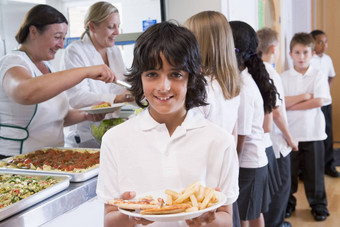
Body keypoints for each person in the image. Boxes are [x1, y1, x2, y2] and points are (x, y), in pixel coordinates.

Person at [96, 21, 239, 227]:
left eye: (176, 74)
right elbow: (109, 220)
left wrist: (208, 220)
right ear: (140, 77)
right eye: (152, 74)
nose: (163, 87)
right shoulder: (115, 140)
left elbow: (226, 217)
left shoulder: (220, 141)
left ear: (193, 76)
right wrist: (129, 214)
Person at [0, 4, 116, 158]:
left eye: (63, 38)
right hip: (17, 160)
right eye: (57, 37)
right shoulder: (13, 62)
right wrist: (86, 71)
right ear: (33, 32)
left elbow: (56, 117)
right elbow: (25, 93)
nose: (61, 45)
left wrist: (87, 115)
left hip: (49, 157)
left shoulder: (48, 67)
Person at [183, 11, 241, 227]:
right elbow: (232, 134)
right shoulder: (230, 84)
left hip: (202, 176)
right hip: (223, 169)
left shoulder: (201, 88)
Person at [61, 1, 133, 148]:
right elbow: (76, 97)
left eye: (118, 26)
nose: (117, 32)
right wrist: (120, 98)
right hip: (85, 134)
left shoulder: (113, 51)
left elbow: (122, 84)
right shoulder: (75, 52)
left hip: (110, 129)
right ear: (92, 26)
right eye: (111, 27)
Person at [230, 21, 277, 227]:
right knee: (254, 213)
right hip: (254, 160)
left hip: (248, 163)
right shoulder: (246, 78)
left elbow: (242, 135)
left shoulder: (244, 86)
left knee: (245, 216)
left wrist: (231, 166)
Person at [281, 32, 331, 221]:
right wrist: (304, 96)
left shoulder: (318, 75)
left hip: (313, 133)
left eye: (305, 53)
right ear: (290, 54)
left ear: (311, 54)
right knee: (289, 174)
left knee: (315, 173)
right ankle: (288, 204)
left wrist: (290, 104)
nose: (301, 57)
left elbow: (319, 101)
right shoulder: (283, 77)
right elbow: (280, 103)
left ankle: (318, 206)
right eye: (297, 52)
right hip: (289, 134)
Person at [257, 27, 299, 227]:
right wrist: (290, 139)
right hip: (275, 142)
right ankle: (276, 224)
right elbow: (277, 113)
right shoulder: (271, 73)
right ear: (274, 48)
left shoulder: (249, 71)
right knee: (281, 186)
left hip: (260, 143)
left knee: (268, 188)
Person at [310, 30, 339, 177]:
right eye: (320, 42)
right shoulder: (309, 58)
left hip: (325, 103)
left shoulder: (327, 59)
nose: (324, 45)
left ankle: (329, 165)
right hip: (312, 103)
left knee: (328, 133)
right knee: (313, 134)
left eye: (325, 42)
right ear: (312, 42)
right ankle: (307, 169)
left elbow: (331, 76)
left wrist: (325, 89)